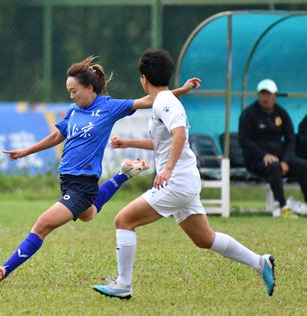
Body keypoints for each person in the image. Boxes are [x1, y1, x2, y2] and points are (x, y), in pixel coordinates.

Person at [0, 56, 200, 285]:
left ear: (89, 88)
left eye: (75, 91)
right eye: (69, 92)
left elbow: (150, 100)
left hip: (83, 184)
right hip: (67, 181)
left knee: (42, 225)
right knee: (87, 214)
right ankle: (123, 174)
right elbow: (58, 135)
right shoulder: (73, 110)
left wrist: (180, 90)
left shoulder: (109, 107)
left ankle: (5, 269)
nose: (72, 96)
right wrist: (26, 151)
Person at [92, 49, 276, 299]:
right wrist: (128, 142)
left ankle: (123, 284)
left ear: (143, 78)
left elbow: (180, 134)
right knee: (204, 239)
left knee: (124, 220)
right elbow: (165, 141)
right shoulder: (164, 101)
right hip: (185, 181)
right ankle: (260, 262)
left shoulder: (165, 102)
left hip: (176, 182)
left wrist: (167, 169)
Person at [239, 79, 307, 218]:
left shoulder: (281, 113)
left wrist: (286, 160)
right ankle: (283, 207)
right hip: (256, 161)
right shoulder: (248, 114)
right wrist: (263, 155)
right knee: (274, 165)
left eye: (269, 94)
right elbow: (244, 140)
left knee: (303, 166)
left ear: (275, 95)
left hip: (280, 159)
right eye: (263, 94)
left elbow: (290, 139)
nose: (266, 97)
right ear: (258, 95)